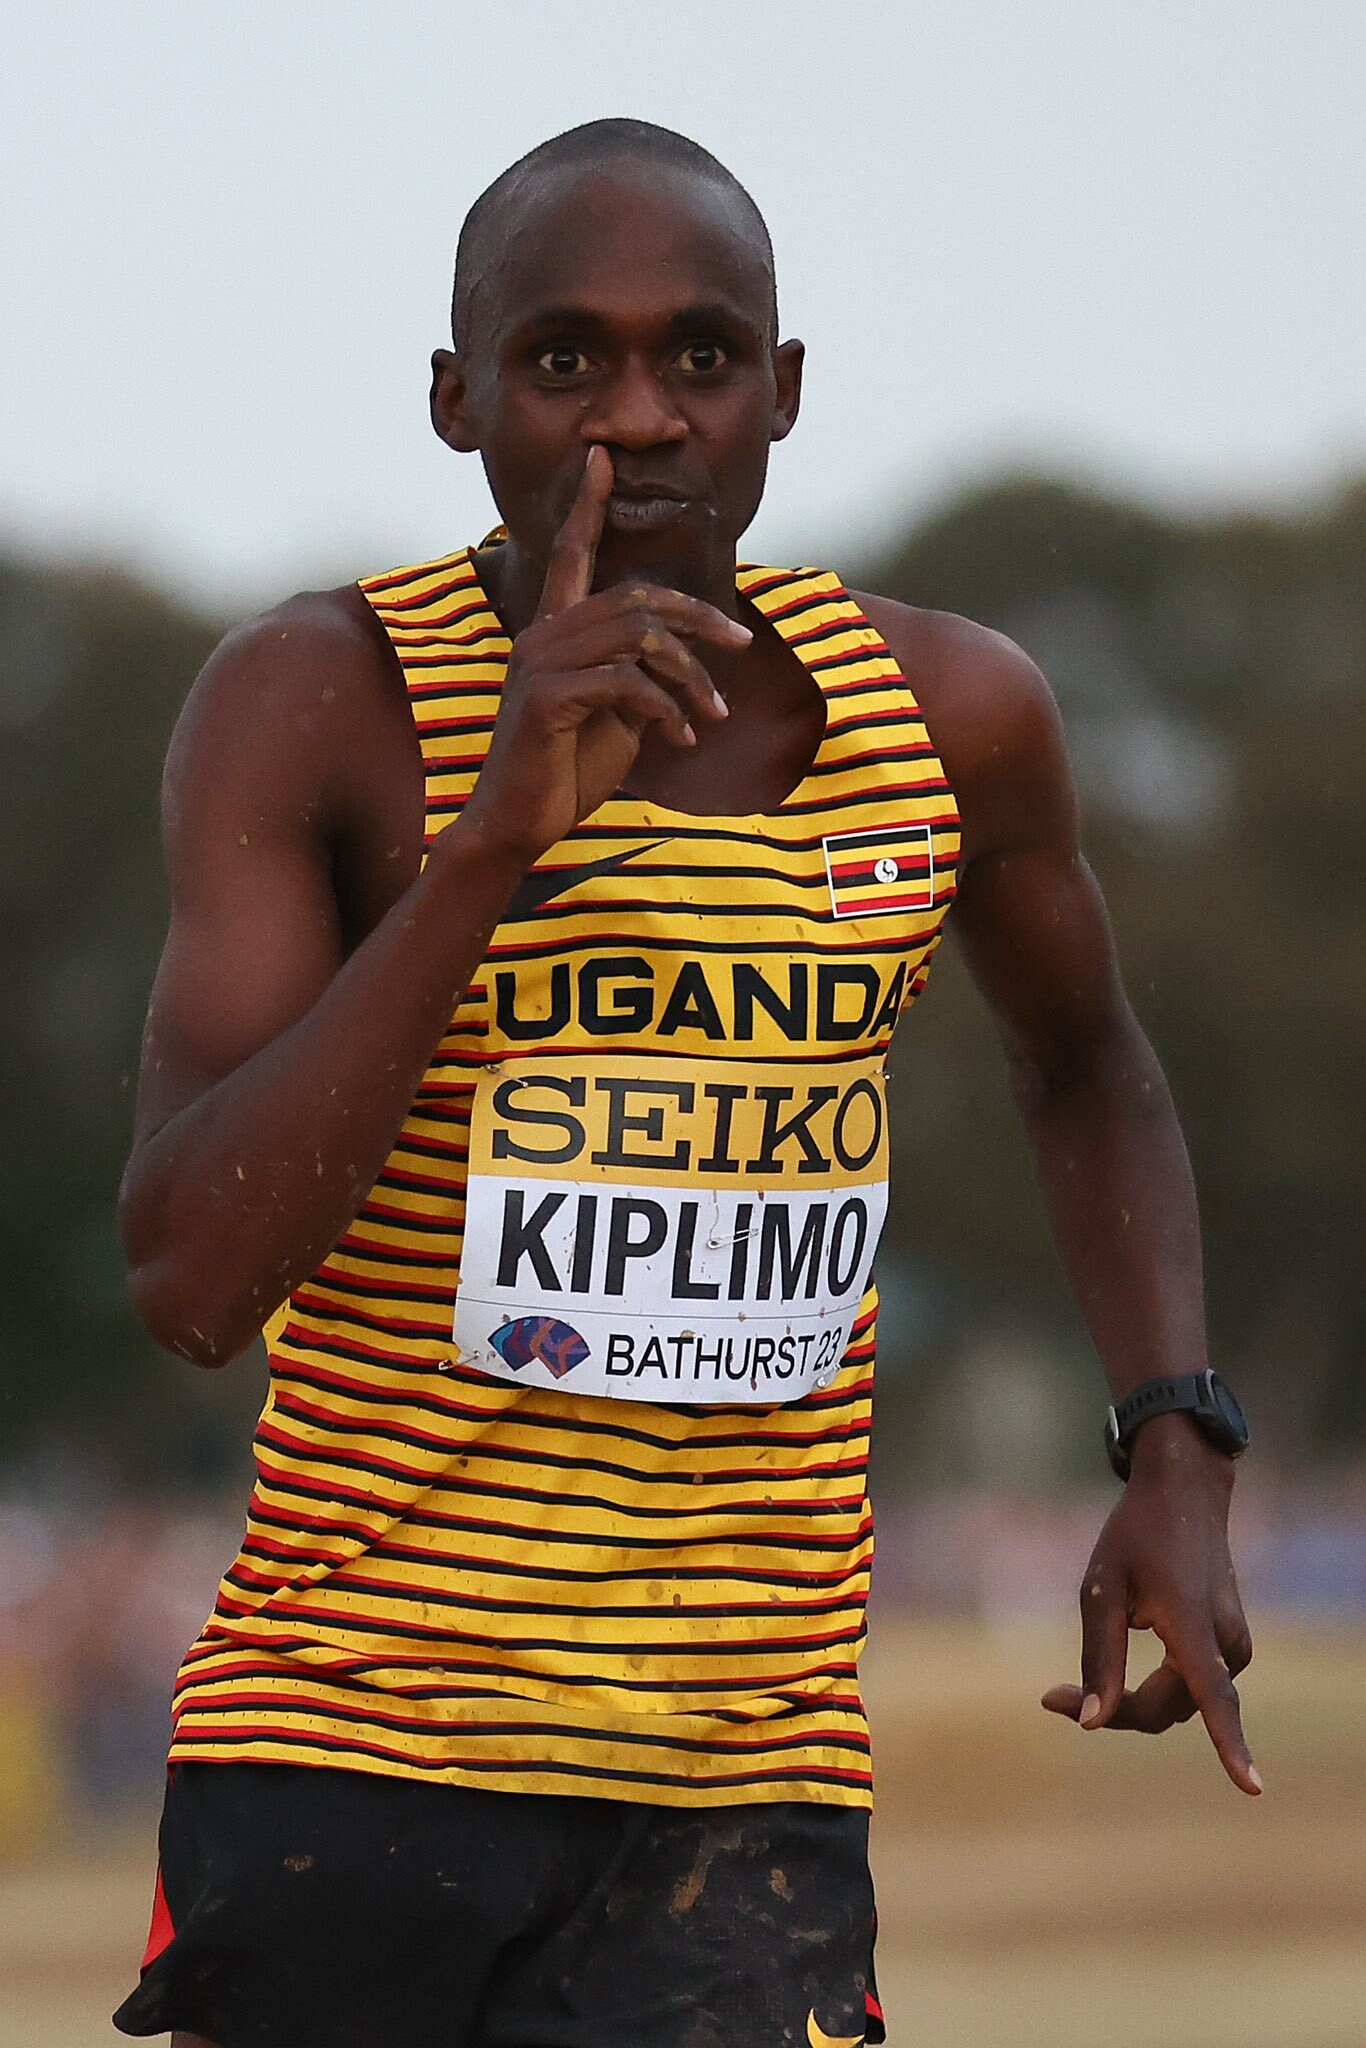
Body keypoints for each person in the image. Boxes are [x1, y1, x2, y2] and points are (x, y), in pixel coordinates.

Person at [113, 118, 1256, 2048]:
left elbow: (1086, 1064)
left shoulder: (947, 716)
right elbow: (190, 1285)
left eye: (700, 357)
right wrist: (491, 845)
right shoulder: (323, 700)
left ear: (780, 391)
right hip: (348, 1762)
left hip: (747, 1794)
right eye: (564, 360)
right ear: (458, 398)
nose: (638, 419)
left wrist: (1175, 1441)